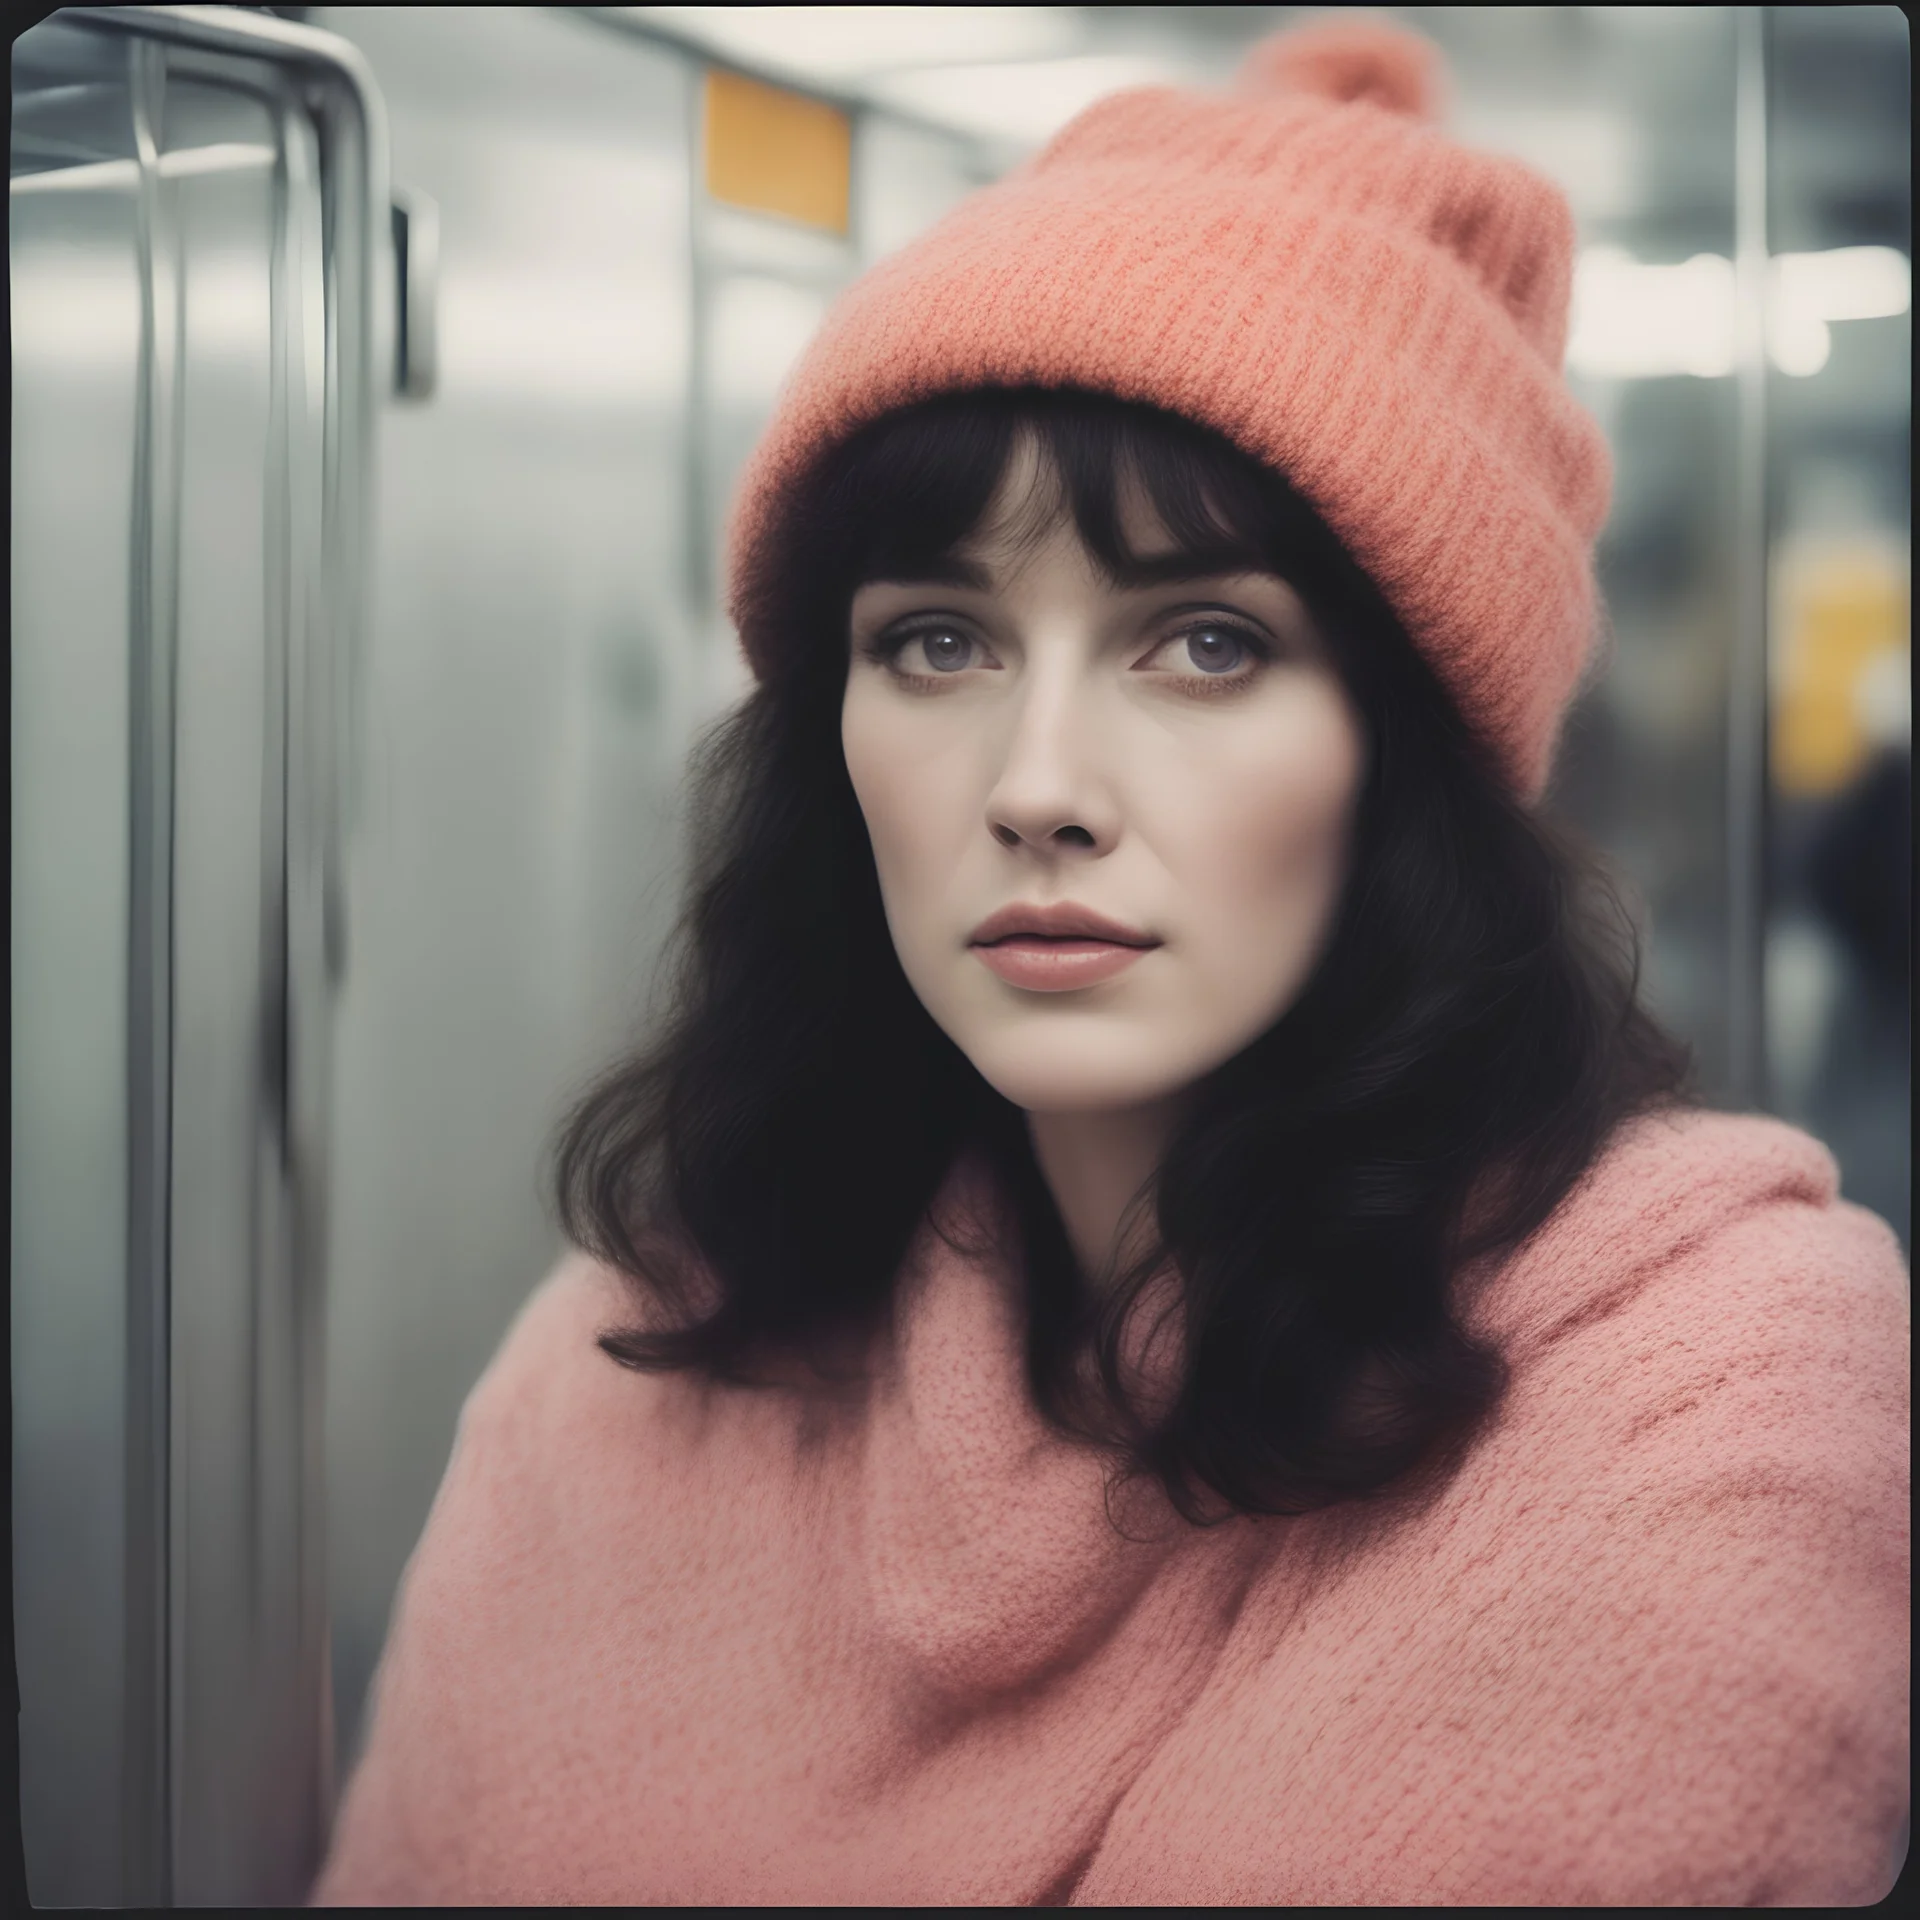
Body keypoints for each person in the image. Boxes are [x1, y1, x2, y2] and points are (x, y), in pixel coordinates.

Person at [311, 18, 1909, 1906]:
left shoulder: (1710, 1385)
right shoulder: (638, 1354)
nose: (1039, 788)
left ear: (1403, 757)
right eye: (937, 645)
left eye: (1206, 645)